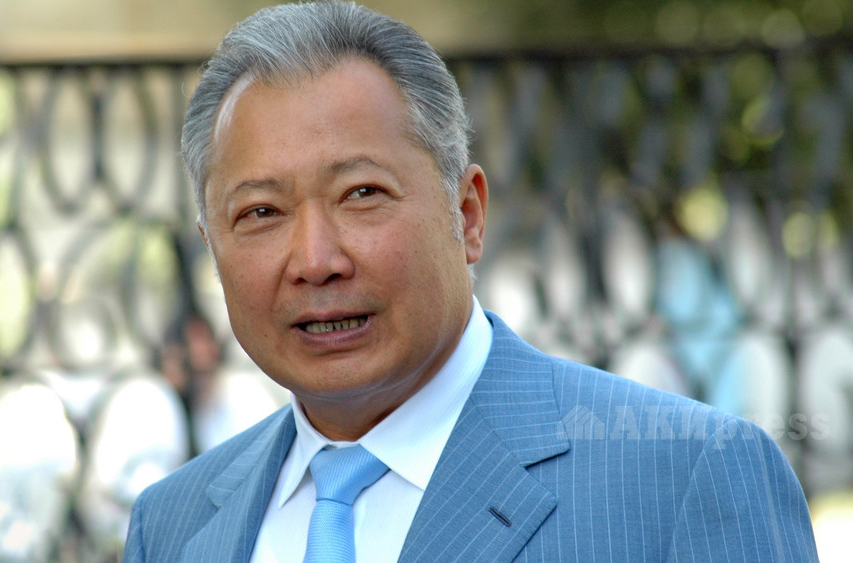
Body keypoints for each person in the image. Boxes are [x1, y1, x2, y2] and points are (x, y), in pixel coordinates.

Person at [123, 1, 819, 561]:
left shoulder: (687, 477)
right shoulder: (172, 524)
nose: (315, 259)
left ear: (467, 214)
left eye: (362, 194)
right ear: (212, 246)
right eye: (261, 212)